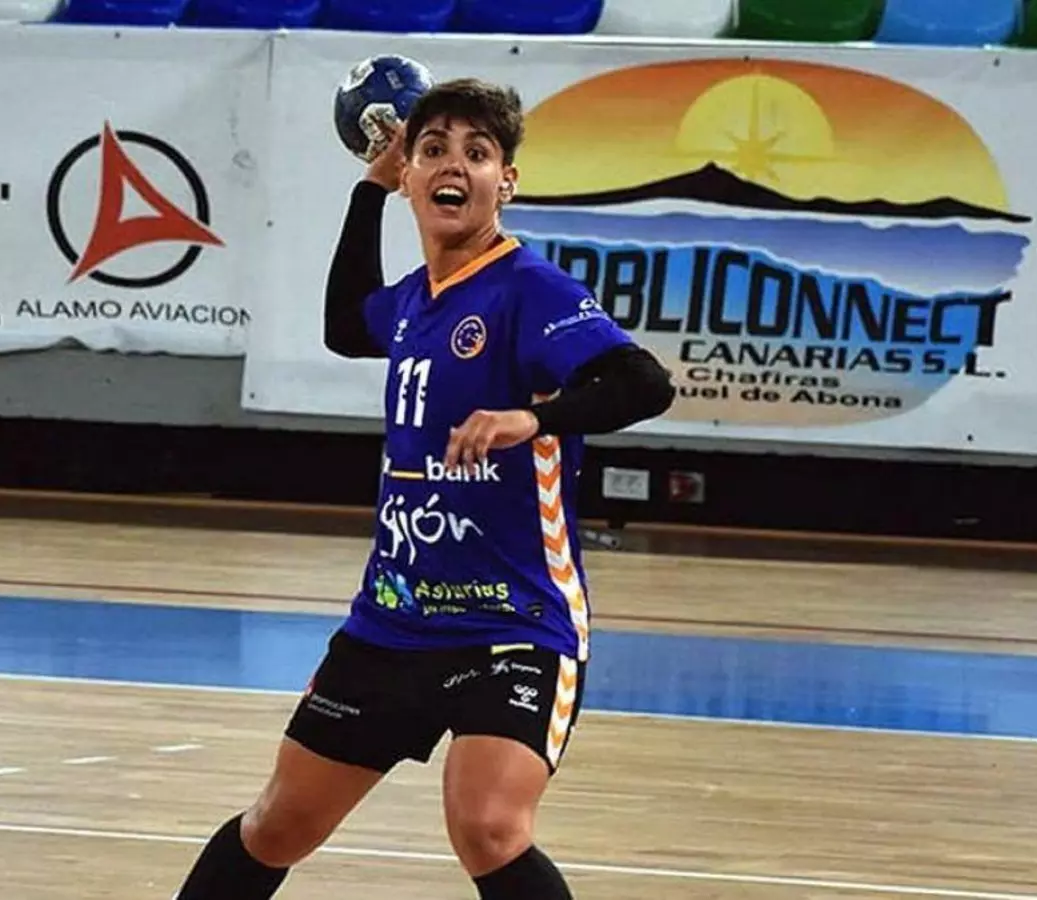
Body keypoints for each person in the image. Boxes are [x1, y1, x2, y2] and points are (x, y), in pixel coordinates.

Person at [174, 77, 676, 899]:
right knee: (277, 826)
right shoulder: (415, 299)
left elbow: (644, 383)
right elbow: (346, 326)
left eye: (478, 153)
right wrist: (366, 193)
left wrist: (532, 419)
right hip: (394, 619)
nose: (454, 165)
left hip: (514, 622)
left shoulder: (530, 289)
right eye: (433, 149)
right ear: (410, 174)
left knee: (489, 828)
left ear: (505, 182)